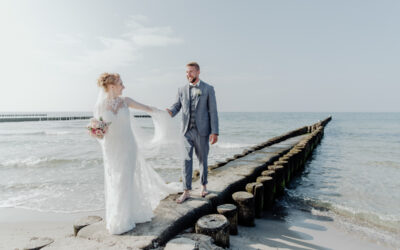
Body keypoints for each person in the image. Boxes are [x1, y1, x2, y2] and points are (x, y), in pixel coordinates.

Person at [94, 73, 178, 235]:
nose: (123, 87)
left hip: (128, 146)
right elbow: (100, 132)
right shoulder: (100, 105)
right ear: (111, 86)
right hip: (112, 149)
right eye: (121, 84)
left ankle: (124, 217)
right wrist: (96, 131)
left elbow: (147, 108)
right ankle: (118, 215)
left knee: (126, 179)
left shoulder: (126, 101)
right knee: (115, 181)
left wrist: (162, 113)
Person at [167, 62, 219, 204]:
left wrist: (215, 132)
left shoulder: (208, 89)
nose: (188, 74)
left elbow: (213, 111)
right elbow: (176, 106)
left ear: (198, 72)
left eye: (190, 71)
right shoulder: (181, 89)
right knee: (186, 160)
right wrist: (169, 112)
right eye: (186, 72)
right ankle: (186, 191)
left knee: (203, 159)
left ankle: (203, 186)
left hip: (202, 131)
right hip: (186, 131)